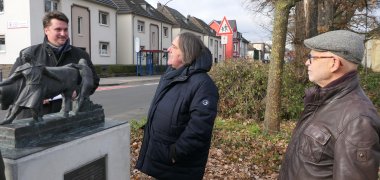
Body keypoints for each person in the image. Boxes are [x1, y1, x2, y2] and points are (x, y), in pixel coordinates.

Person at [279, 30, 380, 180]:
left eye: (311, 57)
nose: (307, 62)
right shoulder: (323, 100)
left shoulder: (358, 120)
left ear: (334, 63)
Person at [136, 32, 219, 179]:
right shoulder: (172, 75)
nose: (168, 49)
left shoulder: (203, 85)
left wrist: (174, 154)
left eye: (174, 47)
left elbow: (199, 129)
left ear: (186, 53)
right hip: (162, 159)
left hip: (177, 166)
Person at [9, 11, 99, 119]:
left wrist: (78, 91)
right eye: (58, 29)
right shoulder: (28, 54)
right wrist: (33, 94)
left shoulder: (81, 55)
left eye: (65, 29)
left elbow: (93, 81)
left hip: (66, 118)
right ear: (46, 30)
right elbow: (14, 85)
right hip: (32, 119)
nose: (63, 33)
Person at [0, 53, 61, 124]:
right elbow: (11, 79)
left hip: (38, 88)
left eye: (25, 57)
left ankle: (36, 119)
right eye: (23, 57)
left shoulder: (40, 66)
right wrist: (1, 83)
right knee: (18, 104)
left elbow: (50, 74)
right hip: (28, 88)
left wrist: (59, 79)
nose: (23, 58)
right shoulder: (22, 68)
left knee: (33, 105)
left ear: (30, 57)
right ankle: (10, 119)